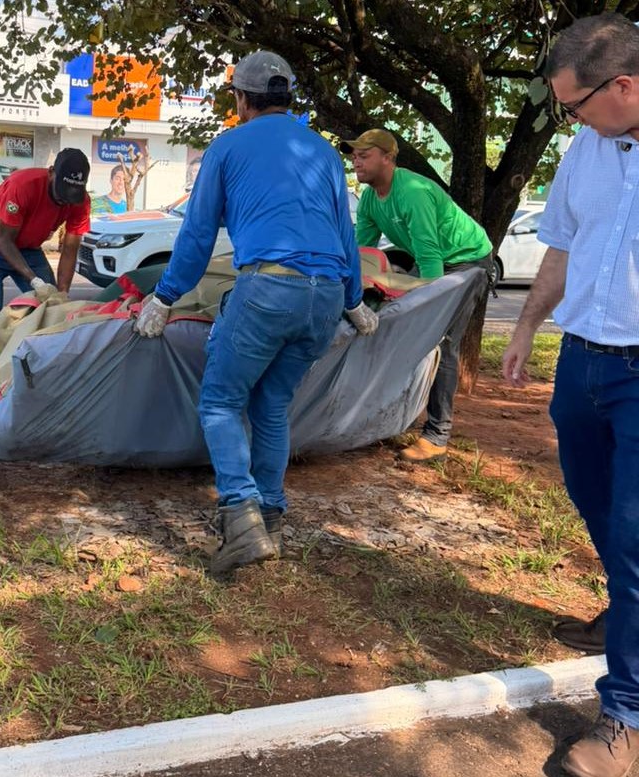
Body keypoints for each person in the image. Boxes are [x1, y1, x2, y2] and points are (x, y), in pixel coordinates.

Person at [134, 51, 378, 574]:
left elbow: (198, 234)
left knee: (221, 403)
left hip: (270, 288)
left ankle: (239, 519)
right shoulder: (323, 153)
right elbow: (343, 235)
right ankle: (271, 520)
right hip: (326, 297)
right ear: (288, 98)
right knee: (271, 406)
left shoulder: (227, 147)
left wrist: (164, 297)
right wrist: (355, 302)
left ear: (241, 100)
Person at [501, 14, 639, 777]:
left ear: (624, 85)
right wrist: (525, 328)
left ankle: (625, 718)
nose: (570, 120)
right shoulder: (584, 151)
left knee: (633, 534)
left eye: (576, 104)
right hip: (582, 364)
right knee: (595, 506)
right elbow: (560, 245)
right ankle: (628, 607)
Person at [340, 129, 494, 464]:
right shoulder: (368, 199)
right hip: (438, 261)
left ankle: (437, 437)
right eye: (354, 155)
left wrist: (424, 308)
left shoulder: (412, 192)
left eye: (364, 155)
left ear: (388, 158)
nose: (356, 161)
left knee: (441, 341)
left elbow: (430, 264)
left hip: (466, 262)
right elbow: (360, 253)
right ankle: (393, 416)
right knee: (399, 328)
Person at [0, 148, 91, 396]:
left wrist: (62, 292)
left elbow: (70, 248)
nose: (65, 201)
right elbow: (3, 240)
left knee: (54, 311)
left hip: (28, 247)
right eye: (61, 194)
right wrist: (34, 280)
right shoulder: (23, 185)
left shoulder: (80, 201)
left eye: (71, 195)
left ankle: (39, 384)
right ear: (51, 173)